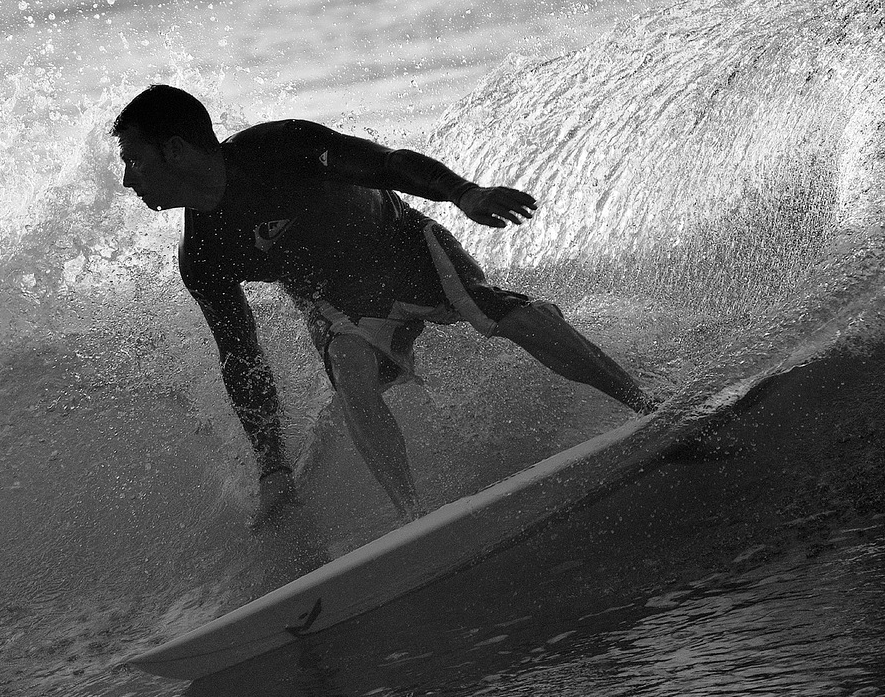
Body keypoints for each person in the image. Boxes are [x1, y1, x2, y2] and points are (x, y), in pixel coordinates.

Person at [113, 84, 656, 527]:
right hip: (343, 308)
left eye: (135, 161)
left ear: (176, 150)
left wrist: (463, 193)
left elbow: (385, 164)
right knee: (351, 374)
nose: (127, 178)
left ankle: (649, 411)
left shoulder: (278, 149)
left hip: (404, 250)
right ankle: (413, 524)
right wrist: (272, 466)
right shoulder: (202, 254)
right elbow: (241, 356)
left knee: (494, 311)